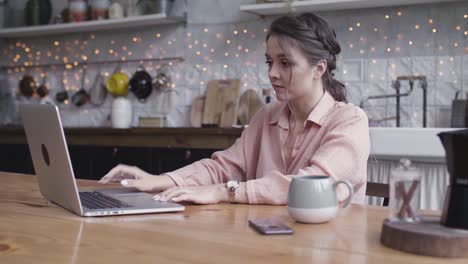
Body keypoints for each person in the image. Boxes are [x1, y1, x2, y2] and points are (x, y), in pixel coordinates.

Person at [99, 12, 370, 205]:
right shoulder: (267, 116)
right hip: (266, 242)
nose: (273, 73)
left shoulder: (350, 121)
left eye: (285, 63)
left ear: (318, 69)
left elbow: (311, 187)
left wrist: (223, 192)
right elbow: (222, 168)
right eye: (269, 62)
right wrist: (161, 180)